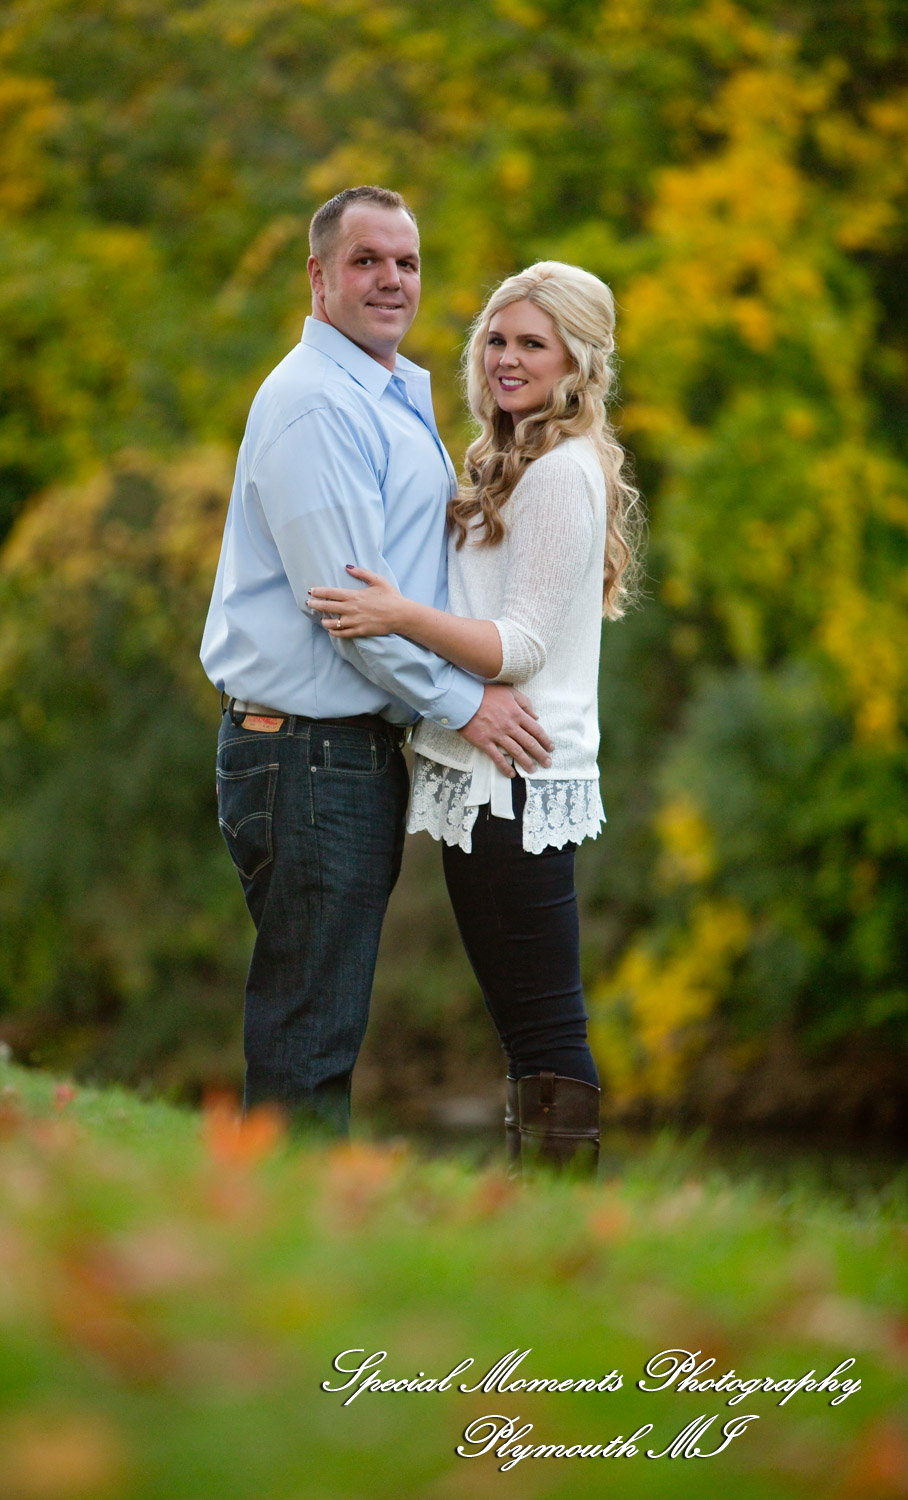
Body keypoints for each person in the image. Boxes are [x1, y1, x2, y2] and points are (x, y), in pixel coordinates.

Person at [200, 187, 553, 1137]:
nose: (392, 280)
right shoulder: (316, 407)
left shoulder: (387, 393)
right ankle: (284, 1254)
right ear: (318, 278)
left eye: (406, 262)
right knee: (308, 1034)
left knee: (318, 1021)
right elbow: (350, 611)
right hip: (306, 753)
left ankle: (288, 1240)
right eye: (367, 261)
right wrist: (467, 704)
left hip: (339, 756)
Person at [306, 261, 642, 1172]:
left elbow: (521, 645)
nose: (506, 357)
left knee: (542, 1019)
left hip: (519, 782)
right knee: (524, 1018)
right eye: (497, 338)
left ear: (577, 361)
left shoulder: (560, 474)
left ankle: (564, 1214)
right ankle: (539, 1211)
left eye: (532, 343)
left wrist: (398, 616)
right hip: (487, 780)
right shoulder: (509, 462)